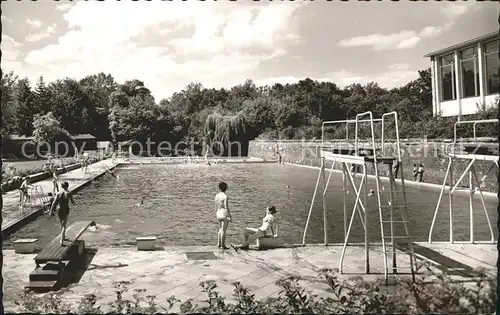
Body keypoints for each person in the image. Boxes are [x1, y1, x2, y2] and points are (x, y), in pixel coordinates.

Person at [50, 181, 76, 246]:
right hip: (66, 210)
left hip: (59, 210)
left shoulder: (58, 193)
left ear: (62, 186)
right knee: (64, 225)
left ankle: (63, 236)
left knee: (61, 223)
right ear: (68, 186)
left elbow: (54, 203)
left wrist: (51, 211)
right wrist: (75, 204)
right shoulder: (69, 193)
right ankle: (61, 240)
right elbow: (72, 202)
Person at [214, 182, 232, 249]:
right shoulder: (225, 196)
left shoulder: (217, 195)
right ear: (226, 188)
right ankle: (223, 245)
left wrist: (217, 212)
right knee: (224, 230)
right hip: (223, 213)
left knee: (220, 229)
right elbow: (226, 207)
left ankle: (218, 243)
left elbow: (216, 205)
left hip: (218, 213)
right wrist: (229, 216)